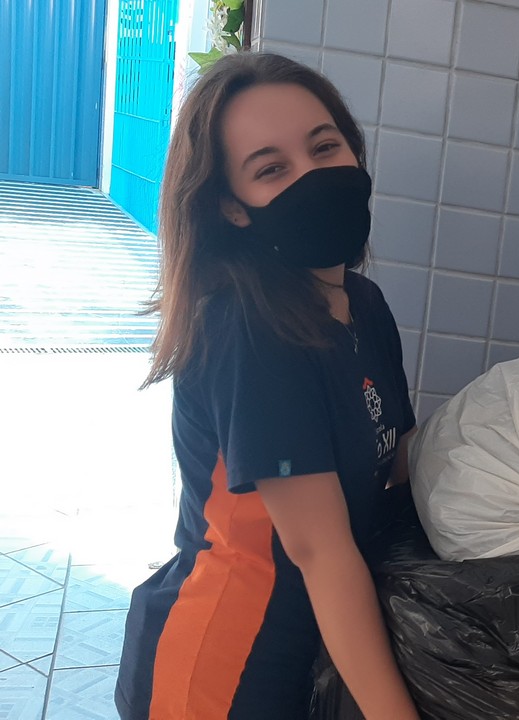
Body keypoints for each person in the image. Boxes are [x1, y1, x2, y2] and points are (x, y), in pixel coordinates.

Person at [116, 53, 420, 720]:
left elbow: (399, 468)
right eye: (271, 169)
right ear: (233, 208)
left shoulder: (364, 305)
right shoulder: (248, 328)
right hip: (223, 672)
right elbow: (320, 550)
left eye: (324, 147)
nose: (313, 176)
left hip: (316, 649)